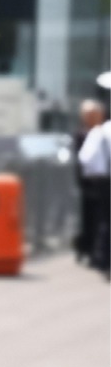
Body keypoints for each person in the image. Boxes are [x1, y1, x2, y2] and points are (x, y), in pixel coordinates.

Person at [75, 99, 108, 273]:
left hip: (99, 181)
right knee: (93, 219)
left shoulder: (100, 132)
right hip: (94, 182)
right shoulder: (89, 133)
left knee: (102, 220)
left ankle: (99, 255)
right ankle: (92, 252)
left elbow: (85, 158)